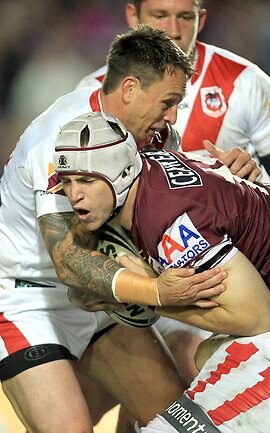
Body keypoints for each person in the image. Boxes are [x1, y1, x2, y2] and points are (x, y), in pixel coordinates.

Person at [0, 25, 231, 433]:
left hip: (105, 299)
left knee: (179, 426)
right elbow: (71, 262)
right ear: (129, 89)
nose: (173, 116)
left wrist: (229, 178)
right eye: (168, 102)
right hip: (26, 300)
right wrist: (158, 291)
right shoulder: (58, 138)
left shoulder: (154, 135)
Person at [54, 110, 270, 432]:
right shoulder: (155, 165)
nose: (74, 194)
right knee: (208, 352)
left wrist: (152, 296)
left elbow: (258, 317)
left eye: (87, 180)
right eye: (67, 181)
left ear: (122, 174)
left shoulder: (170, 224)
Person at [77, 0, 270, 187]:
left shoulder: (246, 82)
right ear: (133, 16)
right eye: (160, 16)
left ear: (201, 19)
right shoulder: (95, 92)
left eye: (185, 17)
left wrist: (252, 189)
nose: (173, 30)